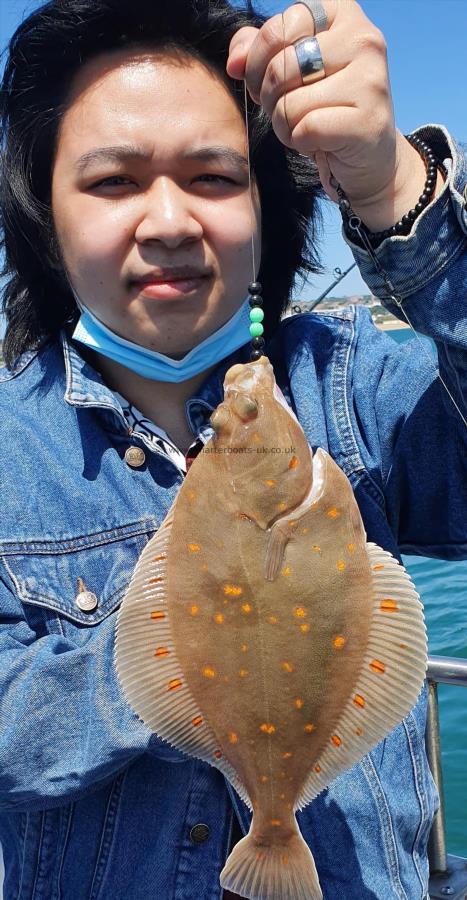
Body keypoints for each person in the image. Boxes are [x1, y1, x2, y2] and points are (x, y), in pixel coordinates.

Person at [0, 0, 465, 897]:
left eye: (213, 176)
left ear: (266, 200)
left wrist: (394, 195)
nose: (169, 220)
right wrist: (172, 640)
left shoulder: (357, 390)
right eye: (112, 182)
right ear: (43, 215)